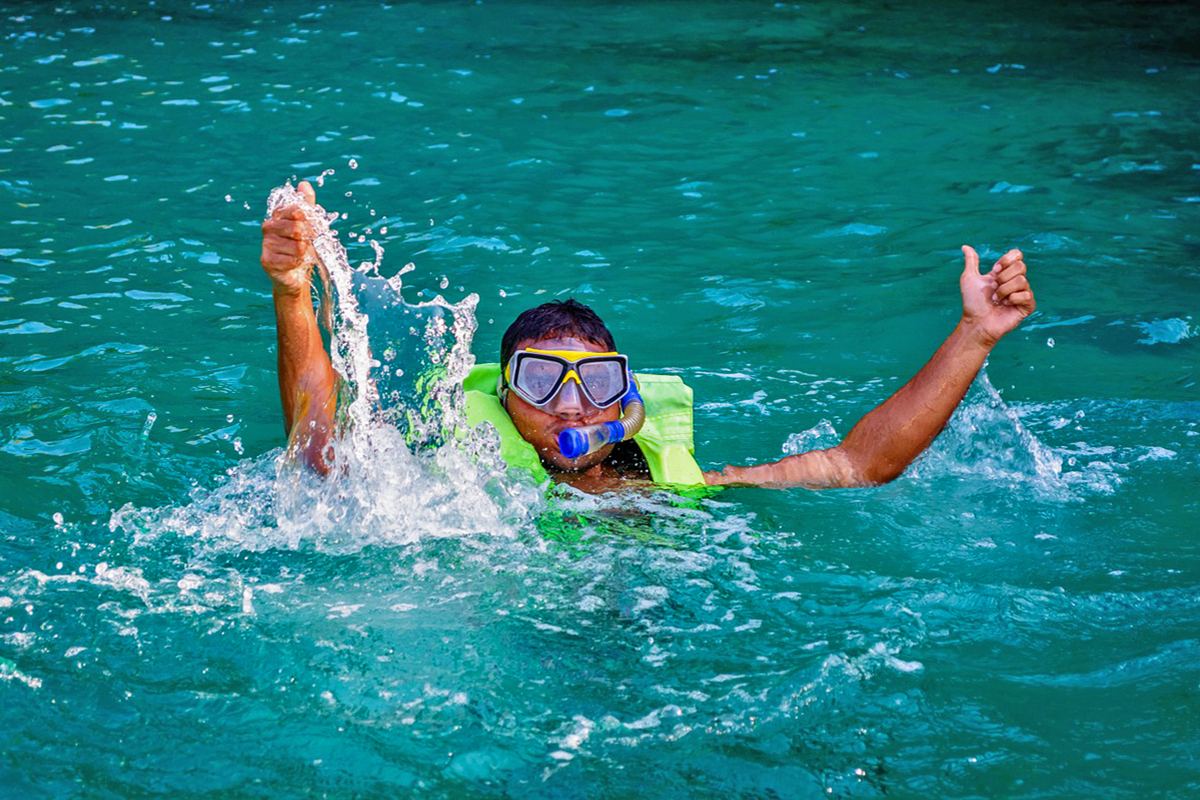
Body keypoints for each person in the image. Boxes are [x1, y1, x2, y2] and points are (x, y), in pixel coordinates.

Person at [261, 181, 1036, 491]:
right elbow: (316, 450)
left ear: (625, 398)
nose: (571, 410)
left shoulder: (679, 485)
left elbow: (860, 463)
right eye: (541, 383)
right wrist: (294, 293)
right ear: (503, 396)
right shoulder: (453, 494)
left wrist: (975, 336)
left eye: (594, 384)